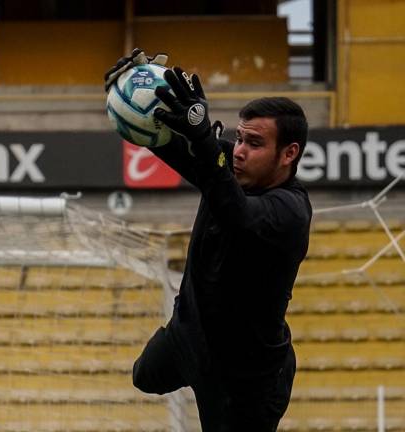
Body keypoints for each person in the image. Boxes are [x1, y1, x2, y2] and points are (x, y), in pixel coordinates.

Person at [105, 50, 312, 431]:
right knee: (144, 375)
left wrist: (203, 142)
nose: (239, 151)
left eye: (254, 143)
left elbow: (237, 213)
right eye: (239, 138)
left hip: (244, 376)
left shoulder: (290, 212)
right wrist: (134, 103)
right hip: (191, 334)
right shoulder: (227, 164)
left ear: (289, 153)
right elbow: (178, 148)